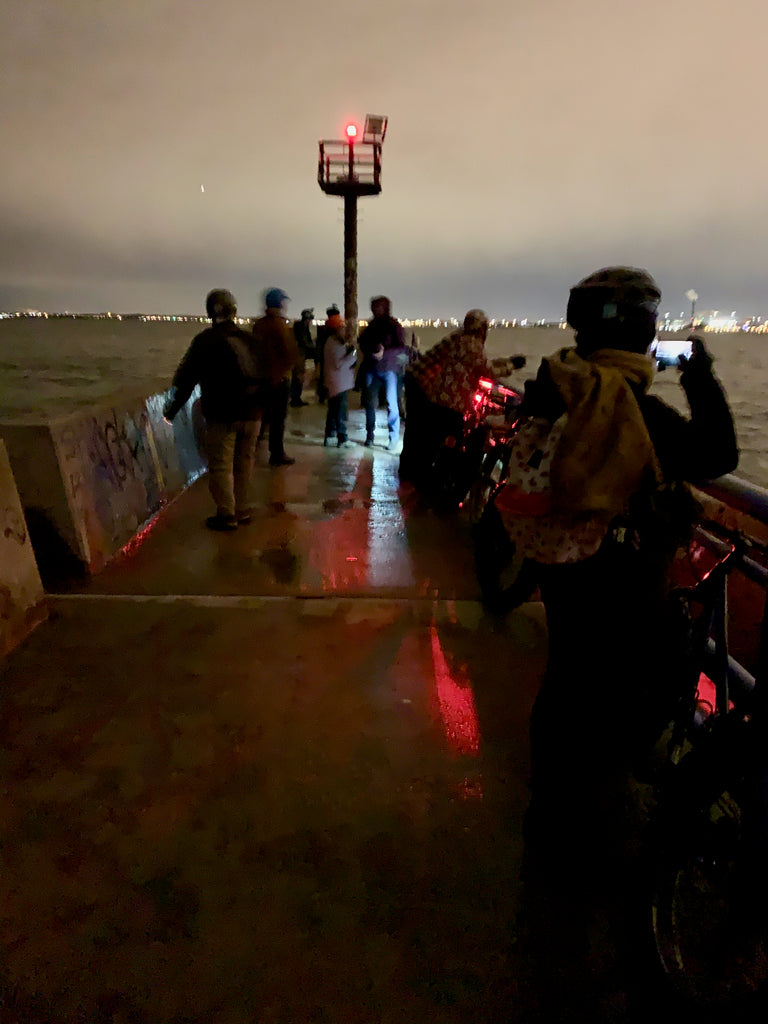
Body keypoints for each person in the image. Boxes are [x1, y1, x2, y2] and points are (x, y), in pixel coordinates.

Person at [515, 266, 738, 864]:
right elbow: (718, 453)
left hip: (560, 562)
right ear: (644, 334)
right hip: (621, 576)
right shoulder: (630, 409)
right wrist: (700, 374)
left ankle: (549, 815)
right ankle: (587, 833)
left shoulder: (554, 385)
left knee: (564, 682)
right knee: (620, 696)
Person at [163, 288, 263, 531]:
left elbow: (185, 379)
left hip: (223, 415)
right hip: (253, 414)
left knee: (221, 465)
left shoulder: (205, 341)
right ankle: (243, 509)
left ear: (210, 312)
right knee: (244, 463)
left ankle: (226, 514)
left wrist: (170, 411)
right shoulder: (249, 340)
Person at [398, 308, 526, 490]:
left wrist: (504, 361)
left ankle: (417, 474)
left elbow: (477, 363)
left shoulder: (459, 338)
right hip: (453, 402)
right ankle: (437, 483)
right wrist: (511, 366)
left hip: (437, 396)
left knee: (427, 437)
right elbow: (486, 370)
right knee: (452, 441)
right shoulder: (472, 343)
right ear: (482, 328)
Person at [251, 287, 299, 467]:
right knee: (278, 418)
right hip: (278, 379)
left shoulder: (259, 325)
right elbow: (289, 352)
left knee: (262, 417)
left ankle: (252, 448)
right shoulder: (279, 325)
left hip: (262, 378)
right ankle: (277, 453)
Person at [357, 295, 407, 450]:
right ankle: (370, 435)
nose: (374, 309)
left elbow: (400, 347)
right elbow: (362, 342)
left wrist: (383, 352)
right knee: (370, 403)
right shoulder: (372, 325)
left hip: (389, 369)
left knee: (392, 404)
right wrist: (373, 351)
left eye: (377, 307)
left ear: (384, 307)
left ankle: (392, 438)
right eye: (373, 307)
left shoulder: (393, 325)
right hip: (374, 368)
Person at [322, 313, 357, 448]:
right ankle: (342, 438)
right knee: (341, 412)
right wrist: (353, 355)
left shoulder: (329, 342)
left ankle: (330, 435)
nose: (344, 330)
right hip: (340, 384)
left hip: (334, 383)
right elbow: (339, 363)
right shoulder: (335, 344)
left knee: (333, 411)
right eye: (342, 327)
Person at [314, 304, 339, 405]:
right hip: (332, 356)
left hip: (324, 356)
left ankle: (322, 395)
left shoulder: (323, 328)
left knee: (323, 377)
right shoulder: (335, 328)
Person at [290, 308, 315, 407]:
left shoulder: (300, 326)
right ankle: (296, 399)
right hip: (299, 355)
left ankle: (296, 398)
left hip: (300, 354)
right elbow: (305, 341)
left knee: (298, 377)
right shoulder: (301, 328)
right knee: (298, 377)